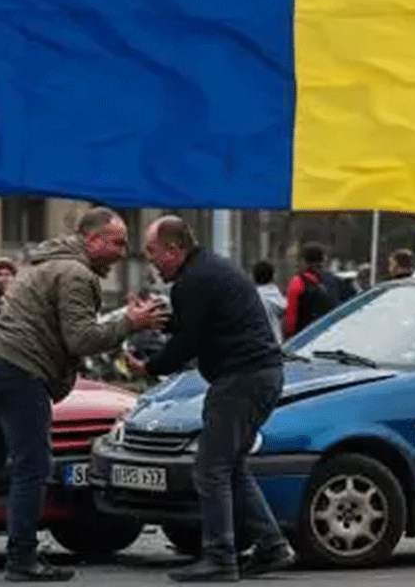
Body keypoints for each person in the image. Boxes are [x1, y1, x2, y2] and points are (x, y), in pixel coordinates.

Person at [0, 207, 169, 582]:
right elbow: (81, 338)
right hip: (21, 371)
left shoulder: (48, 263)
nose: (124, 251)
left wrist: (121, 320)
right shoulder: (76, 274)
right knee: (33, 466)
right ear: (93, 240)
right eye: (118, 242)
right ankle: (22, 558)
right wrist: (130, 323)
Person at [126, 216, 295, 582]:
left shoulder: (194, 281)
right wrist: (161, 322)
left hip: (241, 380)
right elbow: (198, 324)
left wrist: (148, 366)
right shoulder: (205, 270)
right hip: (260, 376)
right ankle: (270, 545)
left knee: (209, 468)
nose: (150, 261)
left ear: (174, 249)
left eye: (153, 252)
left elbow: (187, 342)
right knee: (230, 465)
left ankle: (220, 557)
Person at [283, 243, 354, 339]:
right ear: (323, 260)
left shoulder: (299, 281)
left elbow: (291, 316)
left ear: (303, 261)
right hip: (329, 335)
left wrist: (289, 338)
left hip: (304, 337)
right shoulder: (334, 281)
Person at [251, 261, 286, 344]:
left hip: (258, 343)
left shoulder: (252, 297)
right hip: (277, 341)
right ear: (273, 276)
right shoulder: (280, 297)